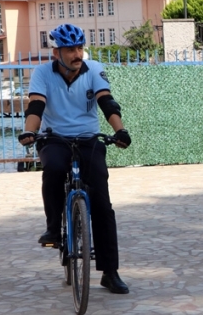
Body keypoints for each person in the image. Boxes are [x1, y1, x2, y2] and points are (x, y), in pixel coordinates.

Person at [18, 23, 132, 294]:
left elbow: (107, 102)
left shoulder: (93, 70)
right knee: (55, 168)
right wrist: (29, 131)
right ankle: (53, 229)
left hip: (88, 139)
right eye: (70, 49)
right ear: (56, 52)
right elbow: (36, 105)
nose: (77, 54)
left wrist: (120, 130)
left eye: (80, 48)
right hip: (54, 138)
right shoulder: (43, 73)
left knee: (103, 205)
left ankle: (110, 272)